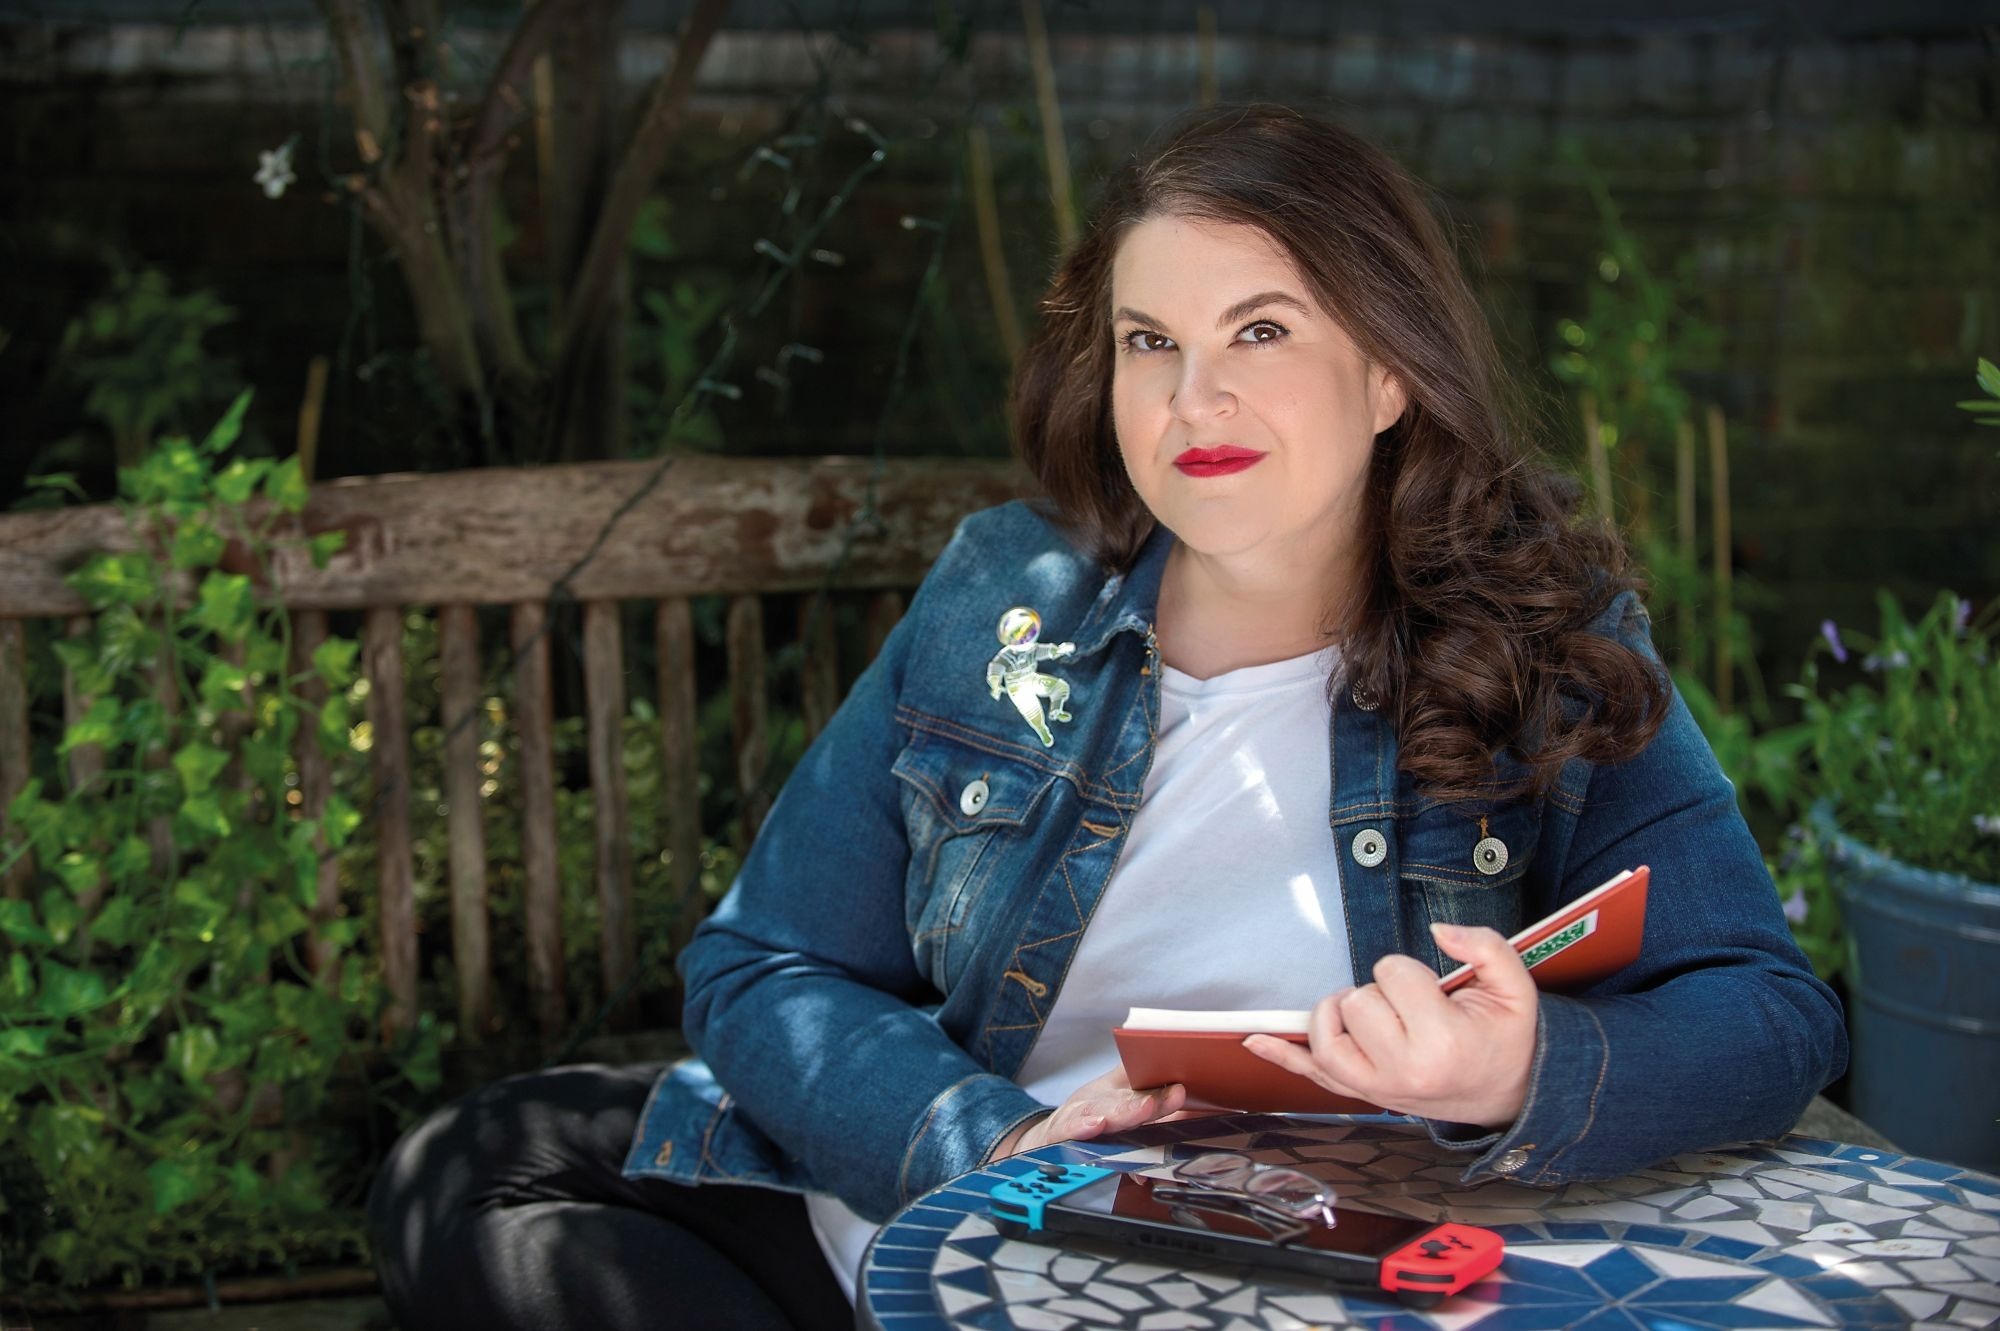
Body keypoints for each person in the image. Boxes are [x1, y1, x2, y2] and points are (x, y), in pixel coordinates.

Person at [367, 105, 1847, 1330]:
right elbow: (766, 964)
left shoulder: (1547, 643)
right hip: (952, 1210)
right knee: (471, 1169)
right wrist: (989, 1137)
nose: (1192, 398)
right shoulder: (1006, 599)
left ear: (1393, 369)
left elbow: (1770, 1014)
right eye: (1151, 341)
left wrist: (1519, 1072)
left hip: (1281, 1273)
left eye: (1260, 331)